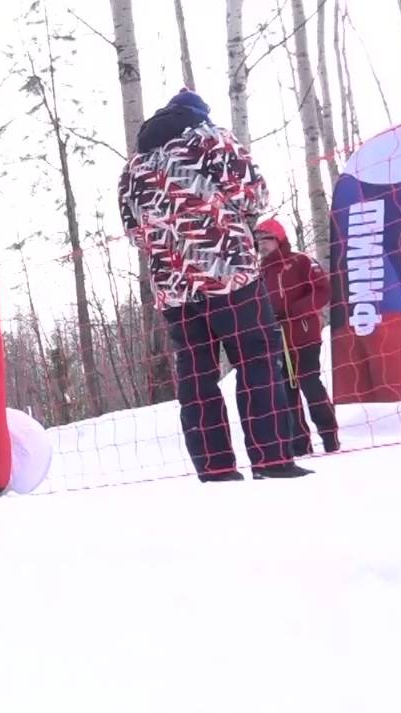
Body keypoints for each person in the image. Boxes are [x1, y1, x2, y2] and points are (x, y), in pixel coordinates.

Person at [118, 90, 310, 481]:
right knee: (257, 359)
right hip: (228, 272)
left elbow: (133, 230)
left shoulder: (134, 166)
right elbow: (254, 196)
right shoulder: (212, 139)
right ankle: (272, 460)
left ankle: (215, 469)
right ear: (199, 113)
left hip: (173, 286)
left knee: (196, 373)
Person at [255, 219, 341, 456]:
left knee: (309, 383)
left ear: (279, 239)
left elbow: (323, 291)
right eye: (259, 240)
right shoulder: (258, 272)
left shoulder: (301, 261)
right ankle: (300, 445)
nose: (262, 244)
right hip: (276, 339)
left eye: (266, 239)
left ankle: (330, 436)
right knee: (285, 392)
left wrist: (297, 310)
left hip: (304, 334)